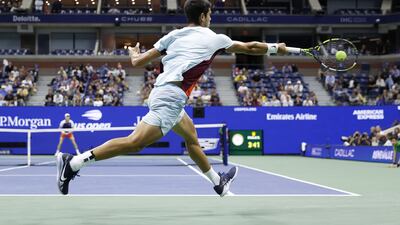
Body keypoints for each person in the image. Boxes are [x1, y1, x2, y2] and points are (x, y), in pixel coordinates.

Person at [56, 0, 287, 196]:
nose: (211, 18)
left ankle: (219, 184)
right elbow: (250, 47)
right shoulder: (215, 38)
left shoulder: (174, 35)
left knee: (192, 140)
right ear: (204, 16)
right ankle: (74, 163)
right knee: (135, 143)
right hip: (171, 98)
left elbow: (137, 62)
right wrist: (276, 47)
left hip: (163, 93)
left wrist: (134, 53)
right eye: (210, 14)